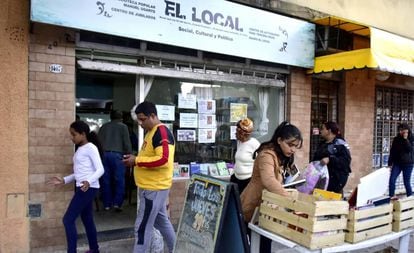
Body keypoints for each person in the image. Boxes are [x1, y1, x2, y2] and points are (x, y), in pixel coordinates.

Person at [240, 121, 303, 253]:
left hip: (267, 209)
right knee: (250, 244)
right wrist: (290, 201)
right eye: (290, 145)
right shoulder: (266, 155)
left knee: (265, 243)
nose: (293, 149)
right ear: (279, 140)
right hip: (252, 205)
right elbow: (268, 180)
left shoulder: (281, 156)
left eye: (296, 146)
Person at [122, 101, 176, 253]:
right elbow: (152, 157)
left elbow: (164, 159)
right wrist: (134, 160)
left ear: (153, 116)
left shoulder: (162, 132)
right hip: (151, 187)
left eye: (142, 119)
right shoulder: (151, 132)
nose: (140, 123)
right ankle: (177, 249)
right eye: (138, 119)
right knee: (162, 222)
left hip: (154, 188)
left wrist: (136, 160)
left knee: (142, 227)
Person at [47, 120, 104, 253]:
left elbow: (100, 169)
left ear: (83, 134)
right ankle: (94, 249)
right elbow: (79, 173)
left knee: (68, 220)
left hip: (87, 188)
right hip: (83, 187)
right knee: (87, 218)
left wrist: (89, 181)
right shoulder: (80, 149)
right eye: (71, 134)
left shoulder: (90, 147)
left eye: (74, 134)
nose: (71, 137)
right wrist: (64, 180)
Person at [98, 110, 132, 211]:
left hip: (104, 155)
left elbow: (98, 142)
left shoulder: (104, 127)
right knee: (119, 180)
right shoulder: (123, 127)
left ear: (110, 117)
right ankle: (117, 203)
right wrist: (129, 154)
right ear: (121, 117)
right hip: (117, 156)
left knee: (105, 180)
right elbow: (127, 143)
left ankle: (106, 204)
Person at [313, 121, 351, 194]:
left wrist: (330, 159)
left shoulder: (340, 144)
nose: (321, 131)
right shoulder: (322, 144)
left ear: (329, 131)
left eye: (323, 129)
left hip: (335, 182)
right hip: (321, 181)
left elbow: (346, 162)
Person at [230, 118, 260, 194]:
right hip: (236, 179)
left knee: (244, 204)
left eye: (237, 131)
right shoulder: (239, 143)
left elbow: (260, 162)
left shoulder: (254, 144)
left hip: (248, 181)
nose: (235, 133)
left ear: (243, 133)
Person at [388, 123, 414, 198]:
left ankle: (410, 198)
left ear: (407, 131)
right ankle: (392, 196)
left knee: (406, 182)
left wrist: (406, 139)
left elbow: (410, 149)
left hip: (408, 164)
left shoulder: (411, 138)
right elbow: (392, 151)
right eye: (400, 130)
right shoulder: (396, 139)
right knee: (392, 179)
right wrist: (390, 163)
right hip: (397, 163)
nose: (400, 132)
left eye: (402, 131)